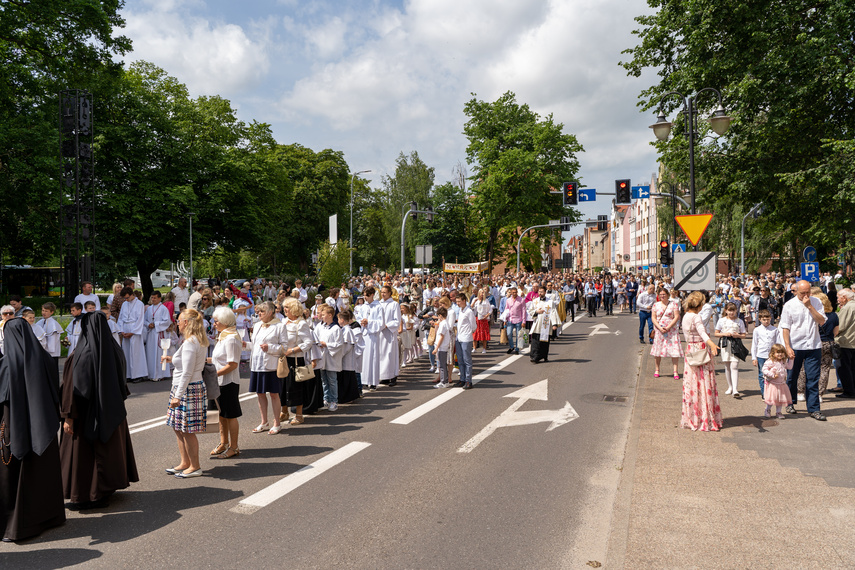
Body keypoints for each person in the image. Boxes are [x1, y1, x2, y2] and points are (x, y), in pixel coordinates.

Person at [60, 312, 139, 510]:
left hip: (86, 414)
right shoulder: (115, 349)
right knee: (109, 450)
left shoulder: (82, 354)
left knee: (86, 455)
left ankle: (88, 494)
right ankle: (106, 488)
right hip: (111, 411)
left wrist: (68, 416)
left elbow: (74, 390)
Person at [0, 318, 65, 541]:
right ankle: (50, 516)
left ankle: (18, 526)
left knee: (16, 476)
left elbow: (5, 401)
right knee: (43, 473)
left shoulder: (8, 364)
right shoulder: (45, 358)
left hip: (15, 426)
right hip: (43, 427)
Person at [161, 309, 209, 478]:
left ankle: (195, 466)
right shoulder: (195, 340)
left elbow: (188, 373)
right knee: (178, 428)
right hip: (186, 388)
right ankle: (185, 462)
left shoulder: (191, 342)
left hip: (187, 389)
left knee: (187, 430)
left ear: (187, 322)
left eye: (179, 320)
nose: (177, 323)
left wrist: (177, 396)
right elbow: (187, 363)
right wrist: (171, 358)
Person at [779, 280, 827, 420]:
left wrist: (810, 306)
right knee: (792, 376)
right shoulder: (789, 305)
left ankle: (814, 409)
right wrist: (787, 347)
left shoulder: (816, 302)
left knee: (813, 378)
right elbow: (785, 327)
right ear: (796, 291)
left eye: (808, 292)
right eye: (802, 293)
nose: (805, 295)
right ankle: (790, 402)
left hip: (813, 345)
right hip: (796, 345)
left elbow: (822, 321)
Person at [680, 291, 722, 431]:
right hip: (701, 350)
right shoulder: (696, 317)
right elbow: (702, 333)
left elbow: (687, 335)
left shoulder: (686, 316)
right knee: (704, 383)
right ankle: (705, 417)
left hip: (690, 350)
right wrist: (711, 344)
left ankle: (692, 416)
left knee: (692, 384)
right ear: (699, 304)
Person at [208, 306, 242, 458]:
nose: (214, 324)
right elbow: (217, 359)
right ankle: (223, 442)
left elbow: (232, 364)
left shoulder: (231, 338)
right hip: (219, 381)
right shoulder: (222, 336)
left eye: (216, 321)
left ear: (225, 321)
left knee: (230, 414)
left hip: (228, 382)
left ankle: (234, 447)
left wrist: (215, 373)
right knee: (220, 415)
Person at [248, 301, 287, 434]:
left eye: (262, 311)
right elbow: (255, 345)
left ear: (270, 312)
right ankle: (264, 422)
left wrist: (269, 348)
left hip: (271, 366)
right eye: (258, 311)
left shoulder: (279, 326)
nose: (258, 313)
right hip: (257, 365)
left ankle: (277, 422)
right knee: (260, 394)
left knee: (274, 394)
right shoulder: (257, 325)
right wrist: (245, 345)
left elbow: (284, 348)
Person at [795, 292, 837, 401]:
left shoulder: (812, 314)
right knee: (824, 369)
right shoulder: (833, 315)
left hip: (814, 343)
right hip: (828, 343)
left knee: (804, 367)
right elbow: (836, 332)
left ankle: (800, 392)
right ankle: (819, 394)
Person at [280, 298, 315, 424]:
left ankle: (299, 415)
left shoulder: (301, 324)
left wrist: (293, 350)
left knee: (295, 387)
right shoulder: (284, 321)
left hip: (295, 359)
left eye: (287, 308)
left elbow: (308, 342)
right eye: (284, 307)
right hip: (283, 359)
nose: (285, 310)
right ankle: (284, 412)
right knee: (282, 386)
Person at [715, 302, 747, 398]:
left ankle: (735, 389)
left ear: (736, 311)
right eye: (729, 310)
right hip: (725, 343)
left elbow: (744, 335)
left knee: (735, 365)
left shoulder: (739, 321)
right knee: (727, 365)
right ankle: (730, 387)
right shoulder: (721, 320)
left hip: (736, 344)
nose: (731, 313)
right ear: (726, 311)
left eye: (733, 310)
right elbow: (716, 333)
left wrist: (738, 335)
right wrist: (725, 334)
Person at [314, 303, 343, 411]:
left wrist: (326, 344)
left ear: (330, 315)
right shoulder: (321, 327)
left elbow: (339, 344)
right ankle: (325, 398)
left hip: (331, 357)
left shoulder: (336, 328)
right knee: (324, 379)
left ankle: (334, 400)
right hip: (322, 356)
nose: (321, 316)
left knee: (332, 379)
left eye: (324, 314)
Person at [651, 288, 683, 379]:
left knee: (674, 350)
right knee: (658, 351)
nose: (662, 296)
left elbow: (676, 316)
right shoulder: (655, 305)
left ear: (668, 295)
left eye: (664, 294)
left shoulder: (673, 304)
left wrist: (668, 327)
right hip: (659, 329)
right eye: (660, 294)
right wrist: (660, 328)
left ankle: (675, 371)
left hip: (671, 330)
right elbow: (653, 318)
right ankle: (657, 369)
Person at [118, 286, 147, 382]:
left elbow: (140, 319)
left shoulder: (139, 304)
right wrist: (121, 330)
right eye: (125, 298)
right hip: (125, 327)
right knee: (126, 352)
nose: (126, 300)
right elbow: (121, 317)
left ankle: (138, 374)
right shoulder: (124, 304)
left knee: (136, 353)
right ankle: (128, 374)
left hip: (134, 329)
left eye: (127, 297)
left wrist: (133, 332)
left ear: (132, 295)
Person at [144, 291, 172, 381]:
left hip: (159, 333)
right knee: (150, 353)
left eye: (155, 298)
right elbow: (144, 320)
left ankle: (161, 374)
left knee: (159, 353)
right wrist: (148, 324)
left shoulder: (163, 309)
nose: (153, 299)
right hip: (151, 333)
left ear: (160, 298)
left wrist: (156, 324)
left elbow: (167, 321)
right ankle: (151, 374)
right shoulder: (149, 309)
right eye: (152, 298)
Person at [751, 309, 779, 398]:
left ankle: (772, 392)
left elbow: (778, 343)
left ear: (770, 318)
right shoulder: (757, 330)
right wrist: (754, 357)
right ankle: (765, 393)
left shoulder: (775, 330)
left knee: (773, 373)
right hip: (761, 355)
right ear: (760, 319)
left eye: (768, 319)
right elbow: (754, 344)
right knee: (762, 374)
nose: (766, 321)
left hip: (772, 356)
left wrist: (778, 355)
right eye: (764, 320)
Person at [377, 286, 401, 386]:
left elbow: (397, 320)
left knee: (390, 355)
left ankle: (393, 376)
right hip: (380, 333)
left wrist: (388, 325)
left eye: (385, 292)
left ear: (390, 293)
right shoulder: (378, 304)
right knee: (381, 355)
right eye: (382, 292)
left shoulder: (394, 304)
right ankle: (384, 376)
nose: (383, 294)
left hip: (389, 333)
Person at [337, 309, 362, 403]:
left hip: (346, 359)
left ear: (342, 320)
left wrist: (340, 354)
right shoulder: (345, 329)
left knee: (347, 378)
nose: (338, 321)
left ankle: (347, 397)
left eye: (339, 319)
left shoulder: (347, 330)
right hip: (345, 358)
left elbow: (347, 346)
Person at [528, 286, 558, 365]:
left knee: (544, 342)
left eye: (542, 292)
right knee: (535, 341)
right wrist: (536, 311)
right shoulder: (535, 301)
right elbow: (530, 310)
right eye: (539, 292)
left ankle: (544, 356)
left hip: (546, 324)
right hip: (537, 323)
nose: (540, 293)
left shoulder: (550, 302)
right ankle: (534, 357)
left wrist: (554, 324)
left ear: (545, 292)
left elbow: (553, 312)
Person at [762, 344, 793, 419]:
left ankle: (778, 412)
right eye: (778, 352)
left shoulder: (783, 361)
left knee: (780, 399)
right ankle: (768, 410)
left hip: (781, 384)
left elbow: (789, 367)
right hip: (773, 384)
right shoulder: (770, 361)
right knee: (772, 398)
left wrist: (791, 359)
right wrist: (772, 374)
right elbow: (764, 369)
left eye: (782, 352)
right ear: (773, 353)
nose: (780, 354)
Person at [835, 289, 855, 398]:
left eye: (839, 297)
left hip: (846, 342)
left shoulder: (848, 308)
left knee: (844, 368)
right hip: (851, 342)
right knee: (852, 367)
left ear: (844, 297)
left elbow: (840, 326)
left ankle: (849, 391)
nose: (837, 300)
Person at [454, 293, 477, 389]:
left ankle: (468, 380)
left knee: (467, 360)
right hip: (459, 337)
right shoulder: (461, 310)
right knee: (460, 359)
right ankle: (462, 379)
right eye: (457, 302)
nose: (458, 303)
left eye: (459, 301)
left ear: (464, 301)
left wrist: (468, 333)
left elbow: (473, 326)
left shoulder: (469, 311)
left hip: (466, 338)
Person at [432, 307, 451, 388]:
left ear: (440, 315)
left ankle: (444, 381)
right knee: (442, 364)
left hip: (442, 347)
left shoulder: (443, 324)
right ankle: (444, 380)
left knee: (442, 365)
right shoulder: (444, 323)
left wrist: (436, 348)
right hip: (443, 346)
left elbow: (441, 337)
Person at [472, 288, 492, 353]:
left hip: (484, 319)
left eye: (483, 293)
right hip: (477, 318)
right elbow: (471, 307)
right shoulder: (475, 300)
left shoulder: (486, 301)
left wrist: (486, 315)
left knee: (484, 334)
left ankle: (484, 348)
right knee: (475, 333)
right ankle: (474, 348)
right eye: (481, 293)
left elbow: (490, 310)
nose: (482, 294)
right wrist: (474, 302)